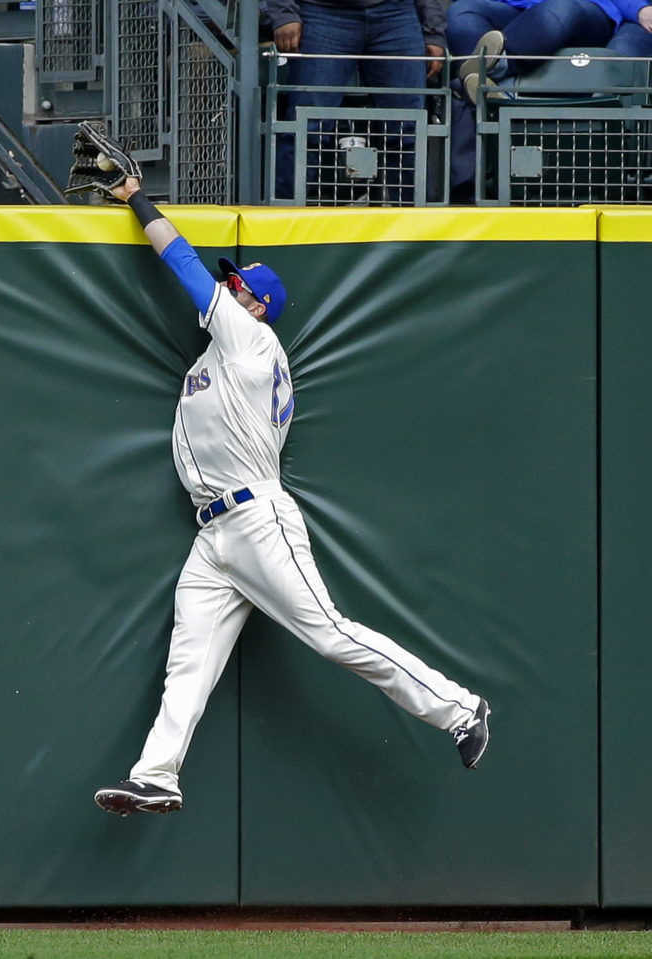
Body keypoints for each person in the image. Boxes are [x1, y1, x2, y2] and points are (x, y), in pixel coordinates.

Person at [93, 175, 491, 817]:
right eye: (231, 282)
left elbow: (186, 265)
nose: (226, 288)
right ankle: (157, 776)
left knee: (331, 634)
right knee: (188, 661)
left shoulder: (252, 341)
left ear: (257, 308)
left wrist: (136, 199)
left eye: (238, 287)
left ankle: (460, 708)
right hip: (215, 534)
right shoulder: (221, 357)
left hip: (256, 518)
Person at [263, 0, 449, 201]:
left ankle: (419, 227)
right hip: (322, 11)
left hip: (397, 12)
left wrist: (433, 30)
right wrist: (284, 13)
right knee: (305, 130)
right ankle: (280, 221)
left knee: (407, 132)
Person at [446, 0, 646, 101]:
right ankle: (484, 88)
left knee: (560, 7)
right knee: (462, 10)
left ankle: (494, 73)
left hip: (586, 13)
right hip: (523, 10)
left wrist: (638, 9)